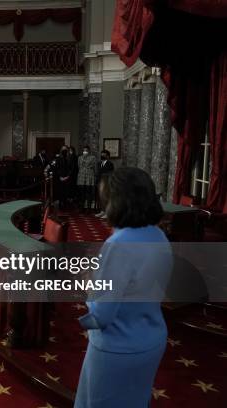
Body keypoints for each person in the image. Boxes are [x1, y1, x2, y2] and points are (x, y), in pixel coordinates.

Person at [75, 167, 172, 408]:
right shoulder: (159, 234)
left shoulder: (118, 244)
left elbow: (101, 316)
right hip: (151, 339)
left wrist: (88, 284)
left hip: (118, 349)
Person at [95, 150, 115, 218]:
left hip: (106, 182)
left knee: (106, 198)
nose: (102, 156)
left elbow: (111, 173)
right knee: (100, 197)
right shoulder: (99, 163)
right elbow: (97, 173)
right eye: (101, 154)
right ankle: (102, 211)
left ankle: (107, 212)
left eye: (104, 155)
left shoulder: (110, 164)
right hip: (99, 182)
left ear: (107, 156)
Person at [77, 145, 97, 212]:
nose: (85, 152)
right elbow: (79, 166)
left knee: (89, 193)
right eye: (84, 150)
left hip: (89, 176)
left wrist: (95, 175)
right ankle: (81, 207)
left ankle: (88, 208)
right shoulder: (79, 158)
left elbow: (95, 167)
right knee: (82, 193)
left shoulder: (93, 157)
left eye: (86, 150)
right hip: (81, 177)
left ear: (89, 151)